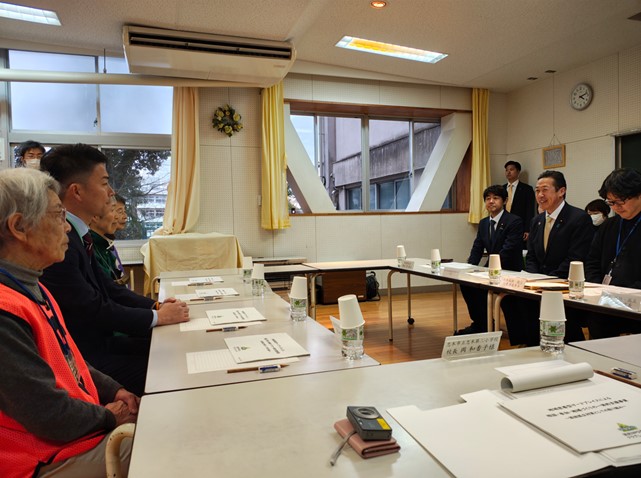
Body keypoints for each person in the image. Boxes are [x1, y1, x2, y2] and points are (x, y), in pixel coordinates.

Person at [0, 168, 137, 477]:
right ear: (19, 227)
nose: (66, 228)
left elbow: (67, 359)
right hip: (40, 459)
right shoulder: (5, 310)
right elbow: (47, 414)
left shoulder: (32, 287)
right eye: (58, 216)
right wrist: (109, 417)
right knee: (162, 443)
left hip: (72, 436)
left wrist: (114, 390)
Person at [40, 144, 189, 396]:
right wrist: (158, 317)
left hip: (103, 343)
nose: (111, 192)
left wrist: (157, 307)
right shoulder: (61, 243)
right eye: (104, 183)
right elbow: (91, 308)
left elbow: (110, 289)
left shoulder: (79, 235)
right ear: (77, 191)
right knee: (175, 368)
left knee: (175, 346)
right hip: (88, 358)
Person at [501, 170, 594, 345]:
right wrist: (534, 278)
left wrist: (547, 281)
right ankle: (530, 345)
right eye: (537, 190)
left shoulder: (578, 218)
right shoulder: (537, 220)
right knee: (511, 300)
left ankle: (567, 345)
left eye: (545, 190)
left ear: (561, 191)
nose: (540, 195)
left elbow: (575, 258)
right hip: (539, 283)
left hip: (563, 283)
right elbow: (531, 256)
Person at [457, 185, 523, 334]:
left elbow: (508, 250)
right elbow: (477, 247)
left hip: (509, 268)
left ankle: (492, 325)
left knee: (485, 286)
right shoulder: (484, 223)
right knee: (467, 283)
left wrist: (488, 271)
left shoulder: (514, 221)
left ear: (504, 201)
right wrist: (469, 268)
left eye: (496, 198)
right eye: (488, 198)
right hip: (491, 268)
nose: (491, 201)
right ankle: (481, 323)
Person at [585, 168, 641, 338]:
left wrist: (625, 295)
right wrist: (597, 288)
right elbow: (592, 260)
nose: (616, 207)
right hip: (604, 304)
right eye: (611, 202)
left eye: (620, 201)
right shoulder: (609, 225)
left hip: (635, 304)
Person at [90, 196, 127, 284]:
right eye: (112, 211)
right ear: (95, 216)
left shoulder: (106, 245)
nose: (116, 217)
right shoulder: (91, 248)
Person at [503, 161, 536, 243]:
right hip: (503, 225)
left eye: (511, 169)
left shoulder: (527, 189)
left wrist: (528, 229)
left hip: (519, 225)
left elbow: (530, 210)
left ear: (518, 171)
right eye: (506, 170)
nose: (508, 172)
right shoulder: (501, 188)